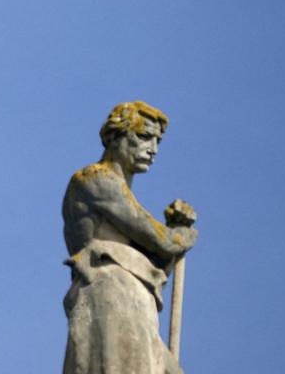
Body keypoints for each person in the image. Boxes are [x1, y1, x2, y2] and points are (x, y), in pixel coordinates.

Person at [62, 101, 197, 373]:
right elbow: (162, 241)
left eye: (157, 141)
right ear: (116, 135)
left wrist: (174, 234)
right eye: (144, 137)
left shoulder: (118, 192)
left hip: (136, 298)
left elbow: (158, 263)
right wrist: (181, 233)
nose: (153, 149)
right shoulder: (94, 179)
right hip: (110, 290)